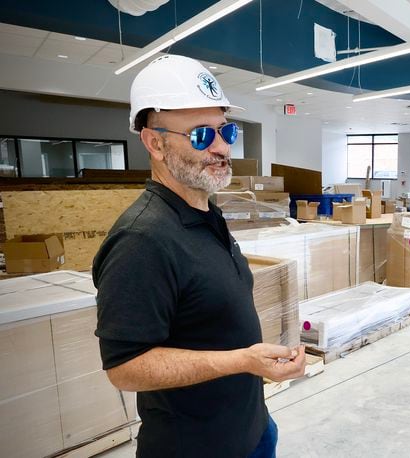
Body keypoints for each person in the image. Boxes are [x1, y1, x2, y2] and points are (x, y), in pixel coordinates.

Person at [93, 55, 305, 458]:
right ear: (155, 143)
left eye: (227, 131)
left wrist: (253, 370)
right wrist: (243, 360)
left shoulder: (208, 212)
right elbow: (124, 368)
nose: (224, 148)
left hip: (252, 427)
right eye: (202, 136)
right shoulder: (142, 239)